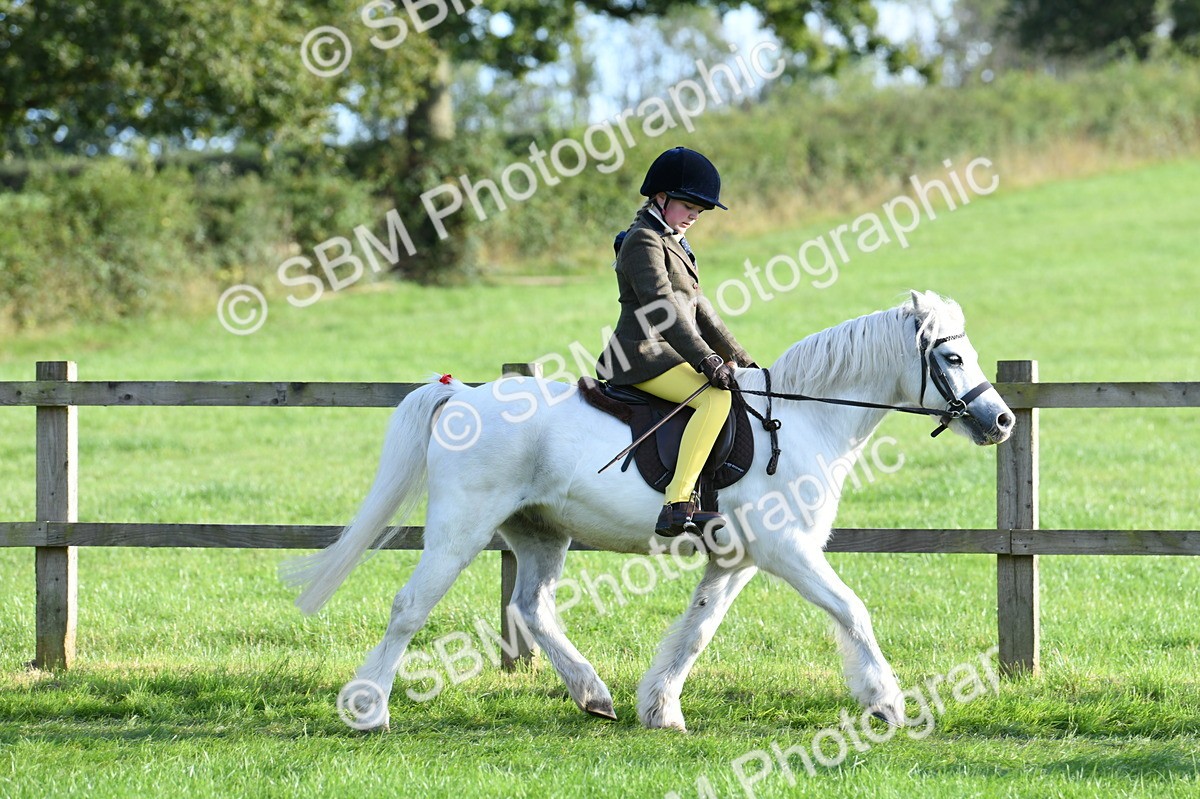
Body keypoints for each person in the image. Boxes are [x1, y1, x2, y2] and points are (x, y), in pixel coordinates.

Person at [597, 146, 756, 537]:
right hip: (641, 356)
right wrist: (706, 360)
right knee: (714, 398)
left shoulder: (674, 242)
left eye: (699, 211)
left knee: (735, 389)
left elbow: (701, 310)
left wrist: (743, 361)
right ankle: (677, 503)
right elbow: (662, 309)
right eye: (688, 206)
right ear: (661, 197)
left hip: (669, 353)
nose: (694, 217)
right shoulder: (643, 241)